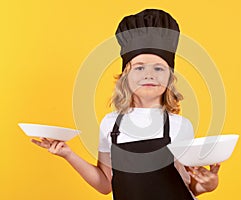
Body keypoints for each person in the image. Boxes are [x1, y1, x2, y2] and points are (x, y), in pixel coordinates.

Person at [31, 9, 220, 200]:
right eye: (139, 68)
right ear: (124, 77)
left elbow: (189, 183)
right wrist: (68, 154)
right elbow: (105, 184)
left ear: (170, 78)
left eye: (158, 68)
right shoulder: (110, 125)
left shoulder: (180, 126)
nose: (149, 74)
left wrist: (209, 184)